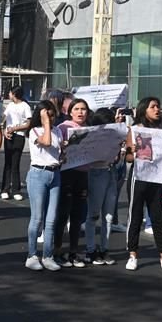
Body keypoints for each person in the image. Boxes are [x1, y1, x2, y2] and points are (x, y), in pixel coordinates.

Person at [123, 97, 162, 272]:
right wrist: (132, 152)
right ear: (144, 110)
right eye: (153, 107)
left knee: (158, 218)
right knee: (135, 216)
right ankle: (133, 254)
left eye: (158, 106)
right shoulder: (135, 130)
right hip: (139, 177)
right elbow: (127, 157)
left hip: (156, 177)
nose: (157, 109)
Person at [53, 98, 91, 267]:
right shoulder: (64, 127)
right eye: (77, 109)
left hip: (83, 175)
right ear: (70, 111)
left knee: (77, 216)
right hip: (67, 174)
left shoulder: (91, 129)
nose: (80, 112)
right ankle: (57, 251)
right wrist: (65, 146)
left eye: (83, 109)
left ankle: (73, 252)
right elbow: (56, 149)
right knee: (62, 214)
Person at [25, 100, 63, 271]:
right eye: (47, 114)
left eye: (52, 114)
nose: (50, 118)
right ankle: (32, 255)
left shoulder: (58, 131)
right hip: (38, 174)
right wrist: (45, 122)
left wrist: (64, 154)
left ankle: (48, 255)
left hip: (55, 173)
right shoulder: (34, 131)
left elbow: (57, 152)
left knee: (51, 219)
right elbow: (46, 142)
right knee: (37, 217)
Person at [82, 108, 120, 266]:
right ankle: (90, 250)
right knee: (93, 214)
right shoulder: (92, 136)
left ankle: (104, 249)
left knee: (109, 216)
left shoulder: (114, 136)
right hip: (96, 173)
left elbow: (116, 158)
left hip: (110, 172)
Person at [0, 87, 31, 201]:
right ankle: (5, 189)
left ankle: (16, 190)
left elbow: (28, 123)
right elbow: (4, 118)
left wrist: (15, 128)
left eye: (9, 92)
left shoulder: (25, 106)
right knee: (7, 163)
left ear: (14, 93)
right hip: (9, 135)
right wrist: (4, 130)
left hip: (19, 135)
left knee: (15, 163)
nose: (8, 94)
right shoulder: (10, 105)